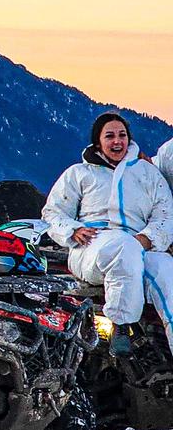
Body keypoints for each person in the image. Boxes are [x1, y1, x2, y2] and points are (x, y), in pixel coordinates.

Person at [43, 112, 173, 357]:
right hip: (92, 244)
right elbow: (53, 212)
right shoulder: (79, 173)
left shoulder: (148, 173)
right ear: (98, 142)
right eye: (109, 136)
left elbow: (165, 214)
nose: (117, 141)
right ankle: (121, 325)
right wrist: (72, 229)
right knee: (123, 246)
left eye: (122, 135)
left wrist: (148, 238)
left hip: (139, 242)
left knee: (167, 271)